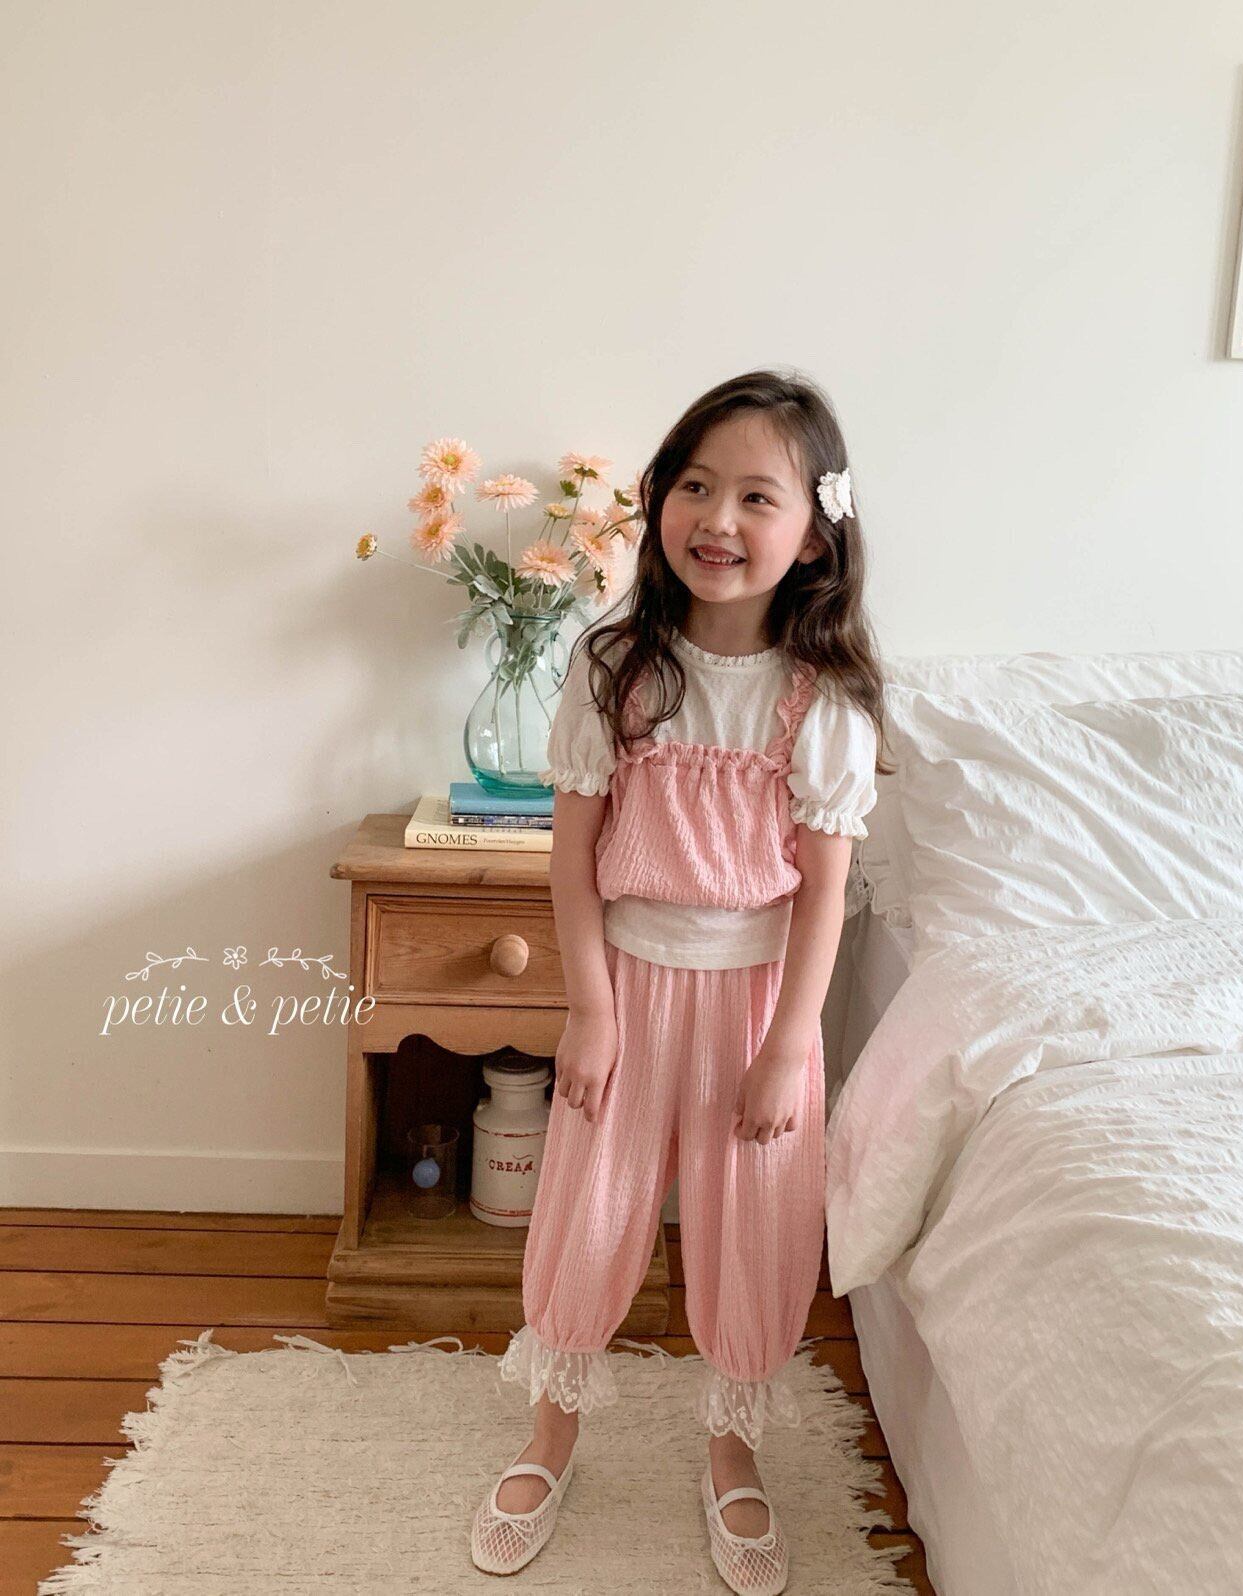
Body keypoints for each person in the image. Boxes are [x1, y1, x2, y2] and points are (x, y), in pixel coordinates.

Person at [470, 368, 890, 1593]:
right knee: (586, 1213)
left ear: (812, 532)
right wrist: (590, 1011)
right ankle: (549, 1439)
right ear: (659, 499)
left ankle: (730, 1455)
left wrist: (785, 1047)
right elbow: (572, 860)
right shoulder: (618, 666)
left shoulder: (821, 699)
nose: (717, 518)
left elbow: (821, 896)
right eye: (696, 485)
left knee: (752, 1229)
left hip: (757, 1008)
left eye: (756, 496)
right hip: (628, 987)